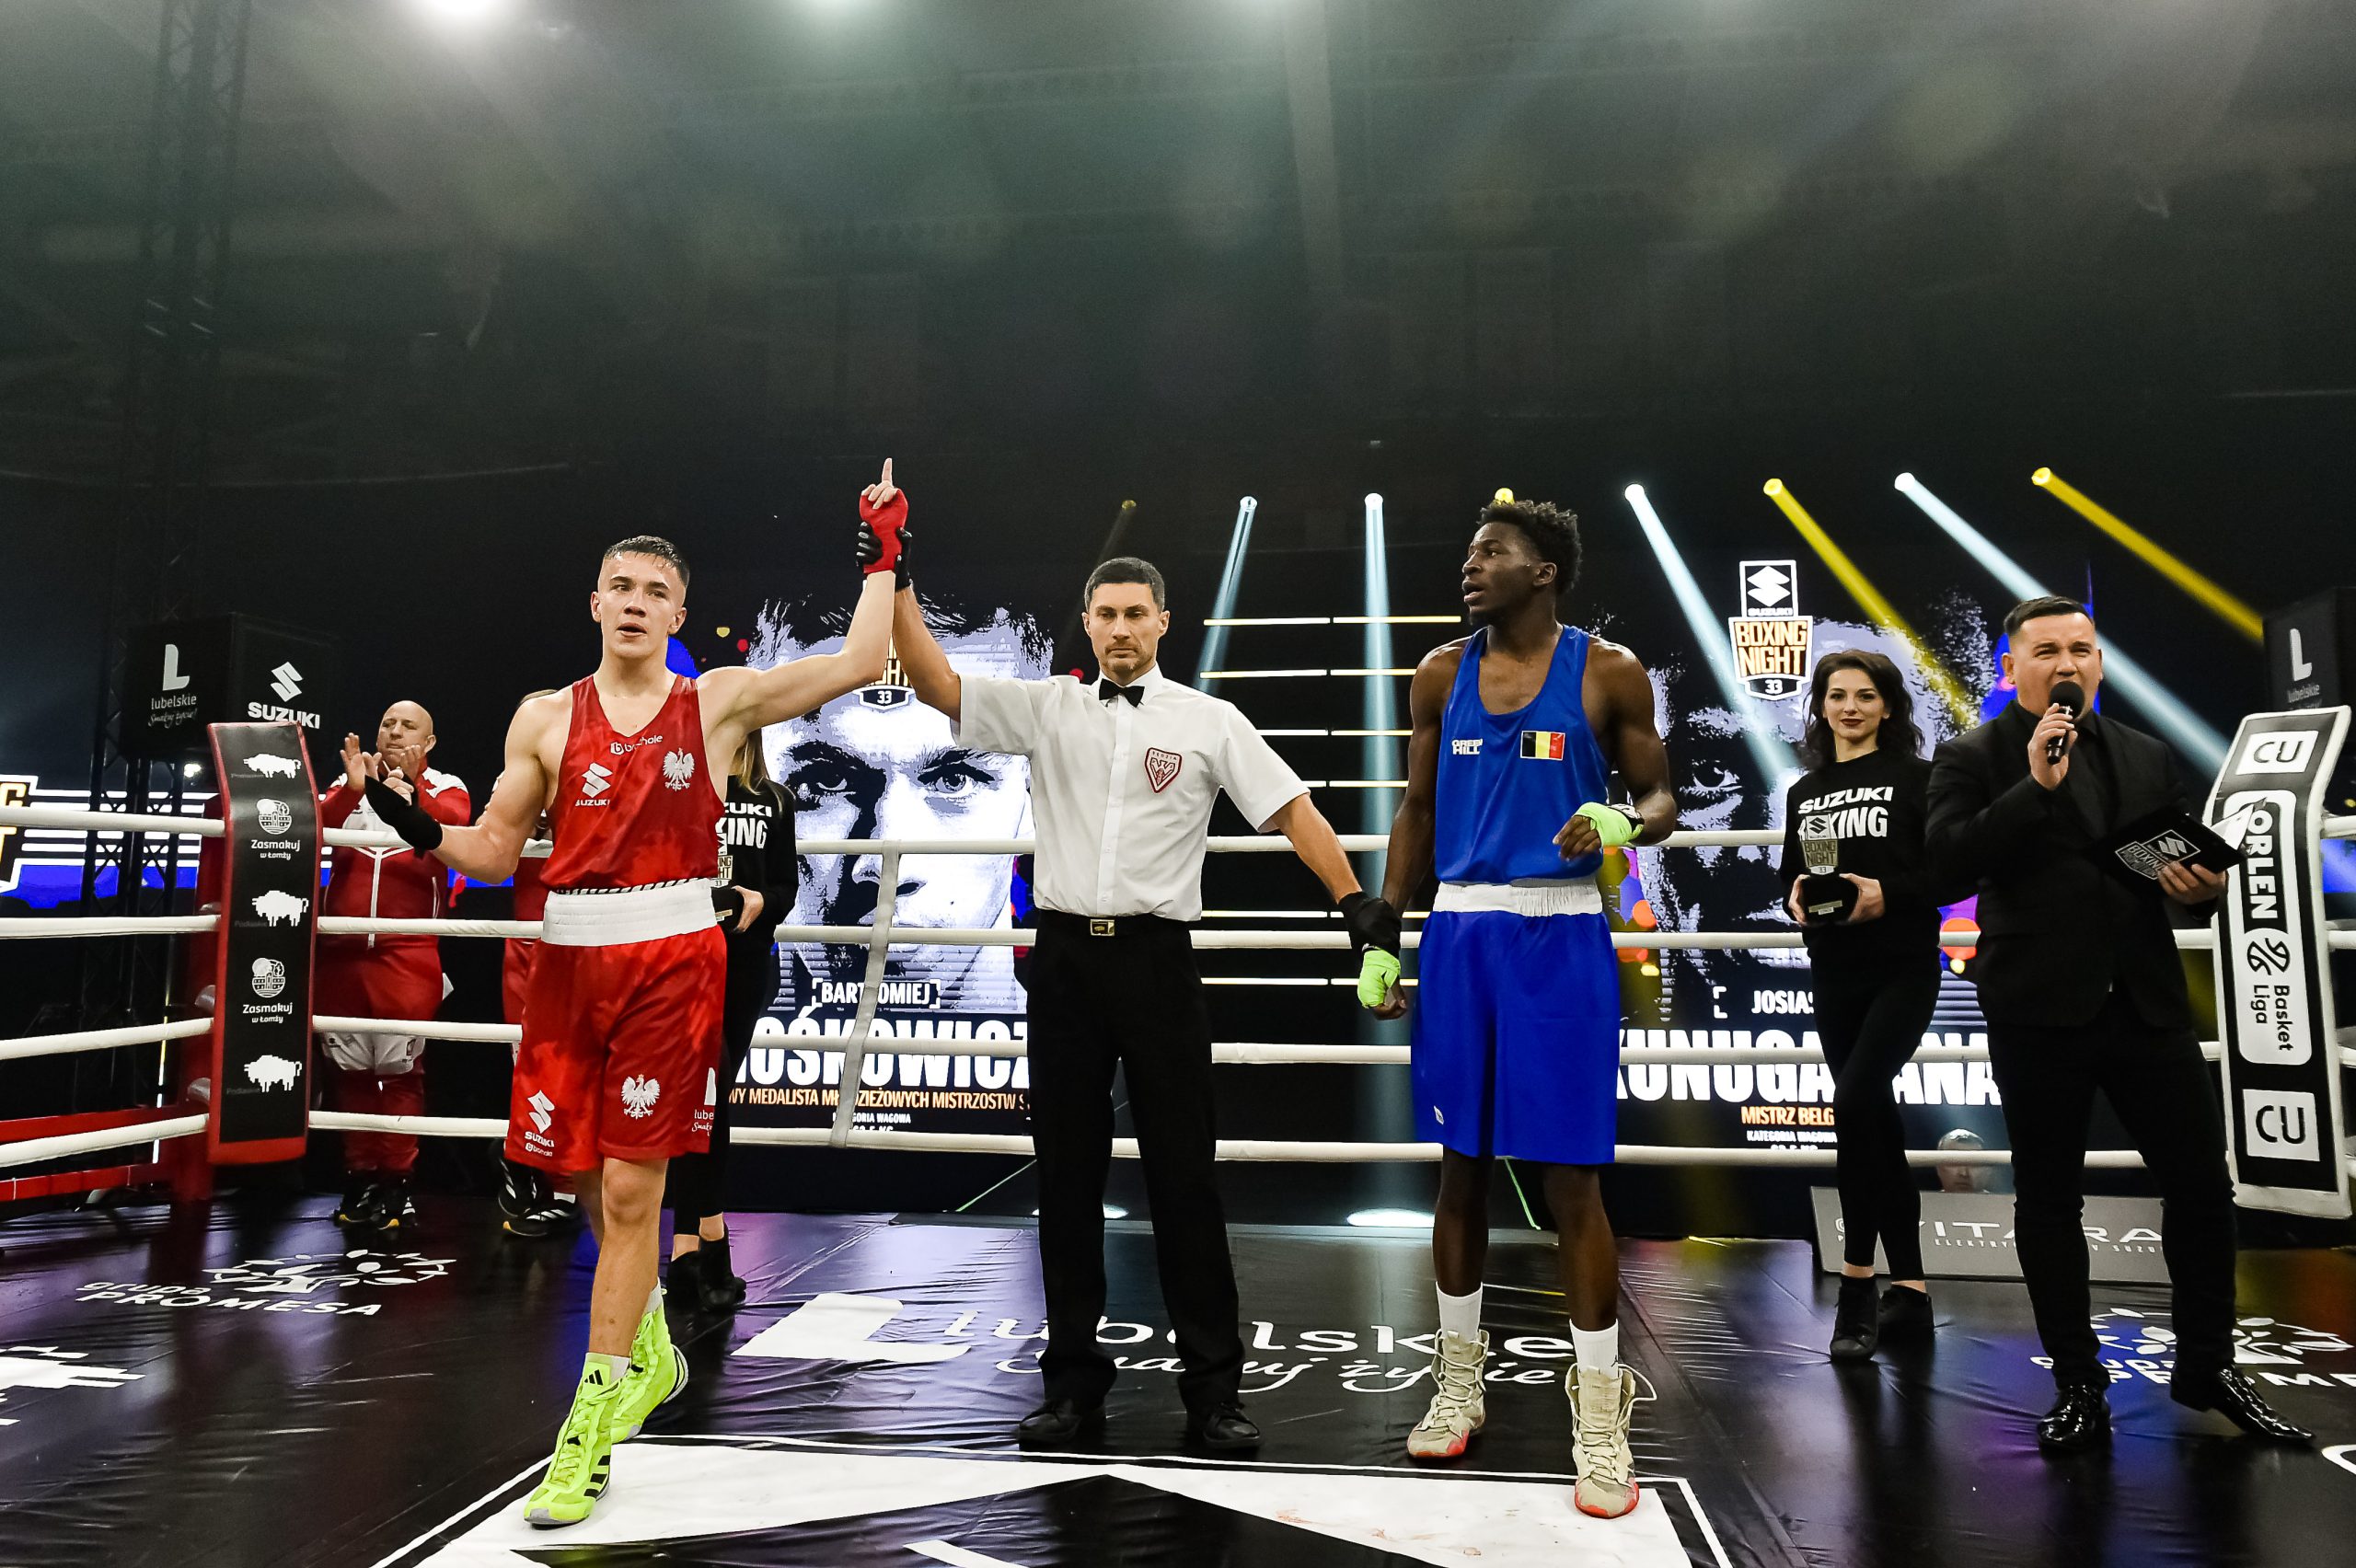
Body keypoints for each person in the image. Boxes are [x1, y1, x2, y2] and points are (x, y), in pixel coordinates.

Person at [356, 462, 907, 1528]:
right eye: (622, 586)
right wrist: (413, 821)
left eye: (657, 592)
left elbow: (854, 662)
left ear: (678, 615)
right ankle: (645, 1343)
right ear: (595, 602)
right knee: (568, 1174)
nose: (637, 603)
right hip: (571, 960)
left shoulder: (717, 703)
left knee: (628, 1196)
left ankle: (591, 1427)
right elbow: (491, 850)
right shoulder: (543, 719)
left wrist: (880, 550)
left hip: (670, 958)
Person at [886, 548, 1393, 1453]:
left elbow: (1292, 809)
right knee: (1066, 1180)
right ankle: (1071, 1387)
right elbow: (933, 683)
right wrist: (895, 576)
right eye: (1106, 614)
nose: (1120, 628)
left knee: (1185, 1180)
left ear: (1163, 620)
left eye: (1135, 613)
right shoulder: (1046, 707)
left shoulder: (1207, 720)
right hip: (1065, 962)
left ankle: (1214, 1393)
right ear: (1087, 624)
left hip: (1158, 963)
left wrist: (1355, 904)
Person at [1925, 594, 2310, 1453]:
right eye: (2048, 651)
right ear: (2011, 669)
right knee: (2049, 1201)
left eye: (2083, 648)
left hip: (2146, 1002)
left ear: (2098, 661)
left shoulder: (2144, 752)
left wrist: (2203, 888)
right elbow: (1946, 867)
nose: (2068, 664)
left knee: (2202, 1190)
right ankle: (2077, 1380)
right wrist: (2035, 785)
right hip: (2037, 1007)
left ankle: (2209, 1366)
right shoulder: (1971, 755)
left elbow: (2176, 867)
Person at [1366, 493, 1676, 1521]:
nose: (1469, 566)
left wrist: (1620, 821)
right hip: (1461, 936)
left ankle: (1601, 1418)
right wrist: (1383, 935)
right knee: (1459, 1171)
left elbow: (1661, 797)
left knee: (1572, 1182)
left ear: (1543, 571)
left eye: (1491, 552)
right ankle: (1458, 1382)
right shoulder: (1438, 673)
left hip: (1561, 938)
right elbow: (1416, 809)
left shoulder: (1608, 671)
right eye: (1469, 552)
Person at [750, 585, 1049, 1014]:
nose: (884, 866)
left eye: (954, 781)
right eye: (829, 781)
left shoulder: (1073, 1050)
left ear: (1033, 801)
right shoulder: (701, 1040)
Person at [1777, 650, 1943, 1360]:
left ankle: (1855, 1286)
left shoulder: (1919, 778)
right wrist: (1794, 898)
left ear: (1888, 706)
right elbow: (1793, 873)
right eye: (1837, 695)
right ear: (1820, 705)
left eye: (1865, 695)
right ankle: (1912, 1291)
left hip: (1903, 969)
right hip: (1835, 971)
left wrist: (1888, 895)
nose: (1850, 707)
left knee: (1853, 1105)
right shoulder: (1805, 791)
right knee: (1875, 1122)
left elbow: (1946, 871)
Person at [317, 700, 470, 1232]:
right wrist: (354, 788)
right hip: (342, 953)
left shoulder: (447, 785)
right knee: (349, 1072)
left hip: (408, 952)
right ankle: (360, 1176)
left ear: (430, 742)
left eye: (409, 726)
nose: (396, 732)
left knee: (401, 1072)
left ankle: (397, 1182)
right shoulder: (347, 782)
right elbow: (312, 826)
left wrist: (410, 785)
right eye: (388, 724)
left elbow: (454, 825)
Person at [662, 730, 794, 1311]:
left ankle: (693, 1245)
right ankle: (702, 1242)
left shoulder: (777, 798)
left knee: (709, 1095)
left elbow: (785, 885)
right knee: (699, 1092)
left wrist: (762, 902)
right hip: (680, 957)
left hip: (744, 962)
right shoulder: (678, 786)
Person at [492, 690, 577, 1241]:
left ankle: (568, 1187)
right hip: (524, 946)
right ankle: (529, 1169)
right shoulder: (511, 787)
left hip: (576, 939)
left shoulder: (591, 784)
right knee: (527, 1065)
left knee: (571, 1065)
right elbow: (489, 848)